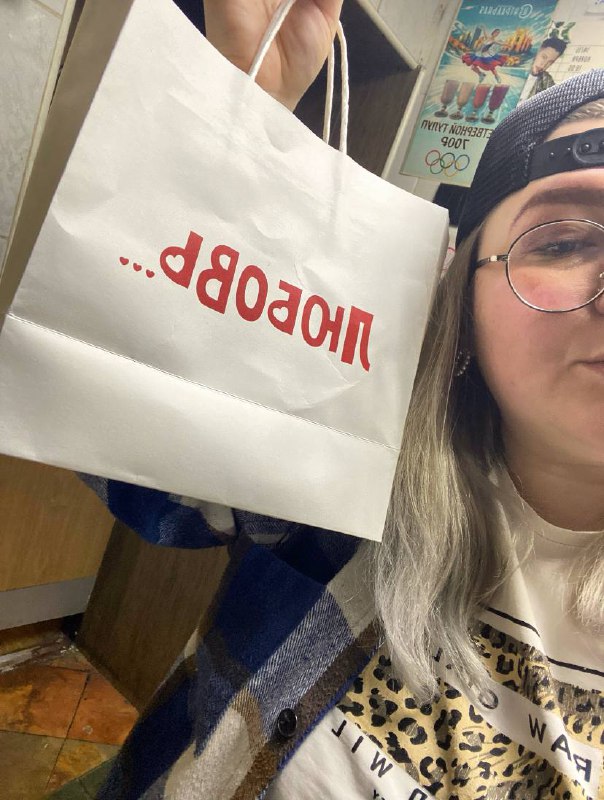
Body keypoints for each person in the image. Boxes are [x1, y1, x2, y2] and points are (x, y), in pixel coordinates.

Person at [61, 3, 602, 799]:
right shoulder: (353, 462)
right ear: (462, 299)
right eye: (564, 241)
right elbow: (119, 444)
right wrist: (226, 115)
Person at [518, 36, 567, 102]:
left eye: (550, 62)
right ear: (538, 51)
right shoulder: (517, 65)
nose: (543, 65)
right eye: (544, 57)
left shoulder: (546, 81)